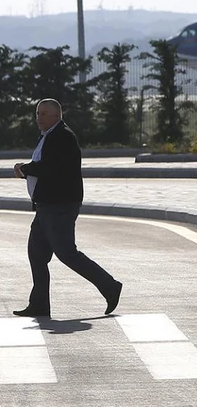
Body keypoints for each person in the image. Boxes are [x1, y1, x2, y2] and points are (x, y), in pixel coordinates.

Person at [13, 98, 122, 318]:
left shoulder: (62, 137)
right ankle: (39, 304)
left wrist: (24, 169)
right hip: (47, 206)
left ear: (57, 116)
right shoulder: (49, 136)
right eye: (37, 113)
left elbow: (50, 168)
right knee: (36, 253)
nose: (39, 118)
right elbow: (47, 166)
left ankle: (110, 286)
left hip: (59, 206)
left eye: (44, 113)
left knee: (67, 253)